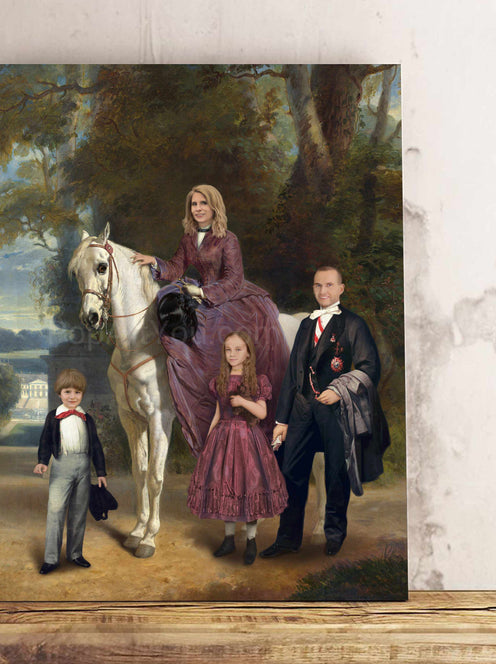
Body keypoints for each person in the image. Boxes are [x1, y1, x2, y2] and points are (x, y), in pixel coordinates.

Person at [132, 184, 290, 457]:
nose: (198, 209)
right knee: (172, 313)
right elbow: (177, 268)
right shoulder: (188, 237)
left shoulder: (228, 239)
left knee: (217, 339)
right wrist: (154, 262)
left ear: (214, 206)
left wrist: (204, 292)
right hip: (200, 294)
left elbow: (234, 280)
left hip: (229, 297)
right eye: (194, 204)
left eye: (203, 203)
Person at [260, 267, 390, 559]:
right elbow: (293, 375)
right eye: (318, 286)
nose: (323, 291)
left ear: (341, 288)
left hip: (336, 411)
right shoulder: (307, 324)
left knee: (335, 473)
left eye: (329, 285)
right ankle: (287, 539)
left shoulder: (354, 324)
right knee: (291, 473)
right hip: (303, 410)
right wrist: (282, 420)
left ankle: (334, 534)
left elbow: (370, 368)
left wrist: (340, 388)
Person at [187, 331, 288, 565]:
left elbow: (262, 413)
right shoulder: (219, 380)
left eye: (238, 349)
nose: (232, 354)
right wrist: (208, 442)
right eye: (228, 350)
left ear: (248, 353)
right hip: (222, 439)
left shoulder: (257, 381)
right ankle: (229, 539)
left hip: (247, 439)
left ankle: (251, 540)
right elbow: (217, 414)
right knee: (225, 487)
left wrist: (243, 402)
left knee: (249, 486)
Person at [33, 368, 108, 574]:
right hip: (61, 465)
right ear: (59, 393)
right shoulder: (53, 417)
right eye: (67, 392)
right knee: (56, 510)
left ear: (82, 394)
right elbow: (45, 441)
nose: (72, 396)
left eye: (77, 392)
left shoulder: (87, 419)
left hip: (84, 467)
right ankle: (51, 558)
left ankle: (75, 553)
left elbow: (96, 447)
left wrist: (100, 472)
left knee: (78, 512)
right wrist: (42, 461)